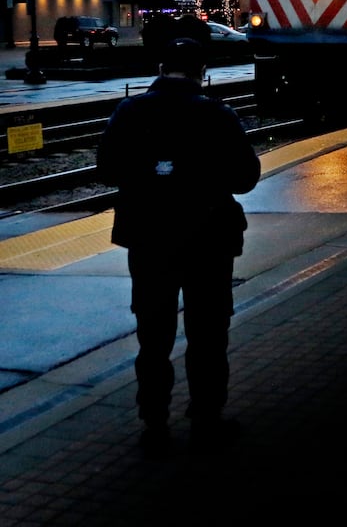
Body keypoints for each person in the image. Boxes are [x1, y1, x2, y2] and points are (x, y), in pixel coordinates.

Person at [96, 37, 261, 455]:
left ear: (161, 66)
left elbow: (106, 168)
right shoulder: (217, 115)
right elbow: (245, 177)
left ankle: (153, 417)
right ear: (201, 71)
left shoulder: (129, 111)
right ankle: (206, 415)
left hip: (149, 238)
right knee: (207, 331)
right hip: (208, 240)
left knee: (154, 334)